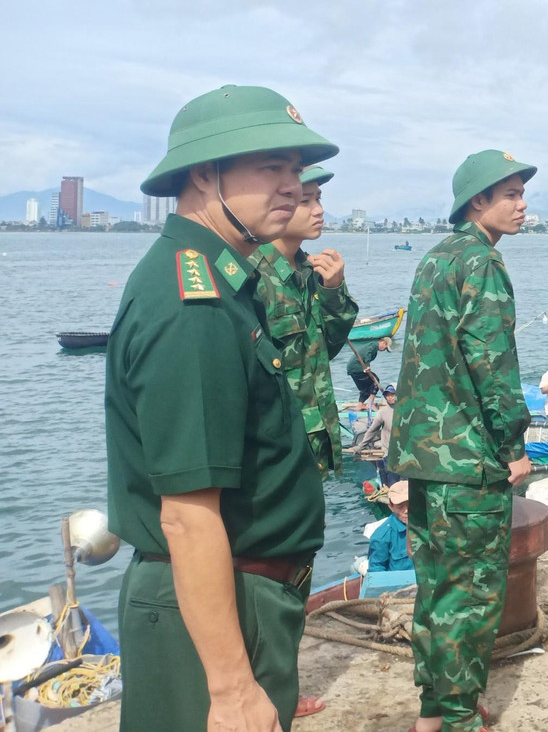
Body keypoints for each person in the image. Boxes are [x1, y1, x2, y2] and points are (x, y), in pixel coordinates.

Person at [104, 83, 336, 730]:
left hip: (244, 594)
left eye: (295, 168)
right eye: (271, 166)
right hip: (218, 602)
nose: (292, 184)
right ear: (206, 173)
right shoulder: (192, 301)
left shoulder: (224, 278)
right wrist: (232, 686)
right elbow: (185, 513)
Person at [388, 150, 535, 732]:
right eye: (511, 195)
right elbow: (493, 366)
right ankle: (454, 721)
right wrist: (513, 446)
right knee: (470, 598)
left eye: (523, 194)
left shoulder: (435, 259)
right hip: (467, 460)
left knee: (436, 590)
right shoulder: (482, 263)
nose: (522, 206)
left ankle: (438, 709)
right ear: (479, 202)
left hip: (424, 457)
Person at [250, 164, 358, 479]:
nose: (319, 211)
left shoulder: (309, 271)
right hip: (275, 456)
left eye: (318, 200)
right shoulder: (254, 276)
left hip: (312, 448)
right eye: (306, 201)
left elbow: (325, 350)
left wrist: (333, 290)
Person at [367, 480, 413, 573]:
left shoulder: (428, 525)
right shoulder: (381, 536)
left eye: (411, 505)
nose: (406, 511)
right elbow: (376, 569)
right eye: (400, 506)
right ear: (390, 506)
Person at [350, 383, 398, 455]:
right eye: (388, 395)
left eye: (393, 394)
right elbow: (372, 431)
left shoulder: (408, 411)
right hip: (389, 452)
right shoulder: (382, 413)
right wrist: (360, 447)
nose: (390, 397)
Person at [348, 335, 391, 401]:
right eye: (385, 348)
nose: (384, 350)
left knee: (365, 388)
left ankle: (360, 405)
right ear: (382, 342)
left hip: (352, 368)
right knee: (375, 381)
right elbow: (368, 353)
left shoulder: (375, 351)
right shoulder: (373, 345)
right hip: (356, 367)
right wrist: (367, 366)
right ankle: (371, 404)